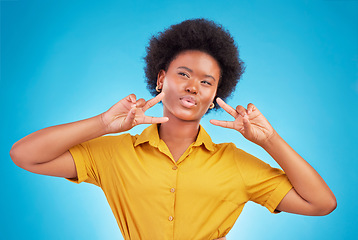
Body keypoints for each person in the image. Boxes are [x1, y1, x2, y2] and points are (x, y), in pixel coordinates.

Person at [10, 19, 336, 240]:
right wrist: (102, 125)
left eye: (206, 82)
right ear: (161, 80)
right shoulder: (115, 154)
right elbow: (24, 155)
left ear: (213, 99)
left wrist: (270, 141)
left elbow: (321, 204)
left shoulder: (235, 163)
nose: (193, 87)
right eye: (184, 74)